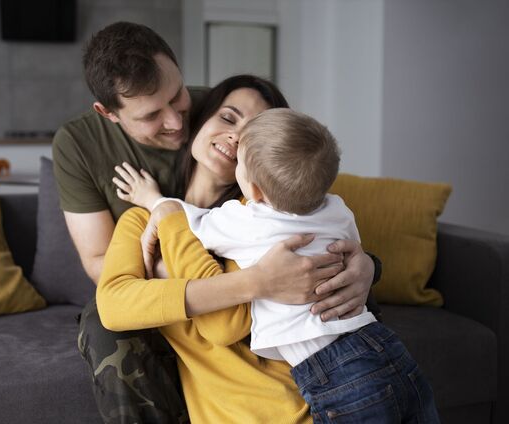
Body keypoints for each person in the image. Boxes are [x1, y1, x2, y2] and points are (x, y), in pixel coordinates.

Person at [53, 21, 378, 422]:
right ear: (109, 114)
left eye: (179, 99)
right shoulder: (144, 213)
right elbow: (115, 292)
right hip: (191, 331)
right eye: (154, 114)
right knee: (102, 324)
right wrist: (244, 279)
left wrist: (367, 265)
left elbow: (316, 207)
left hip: (301, 396)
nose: (175, 121)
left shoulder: (263, 209)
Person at [115, 108, 439, 422]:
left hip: (332, 372)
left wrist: (157, 202)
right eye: (229, 116)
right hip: (383, 345)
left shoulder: (246, 221)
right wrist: (364, 261)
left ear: (254, 189)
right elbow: (352, 249)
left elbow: (189, 222)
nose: (235, 135)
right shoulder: (338, 208)